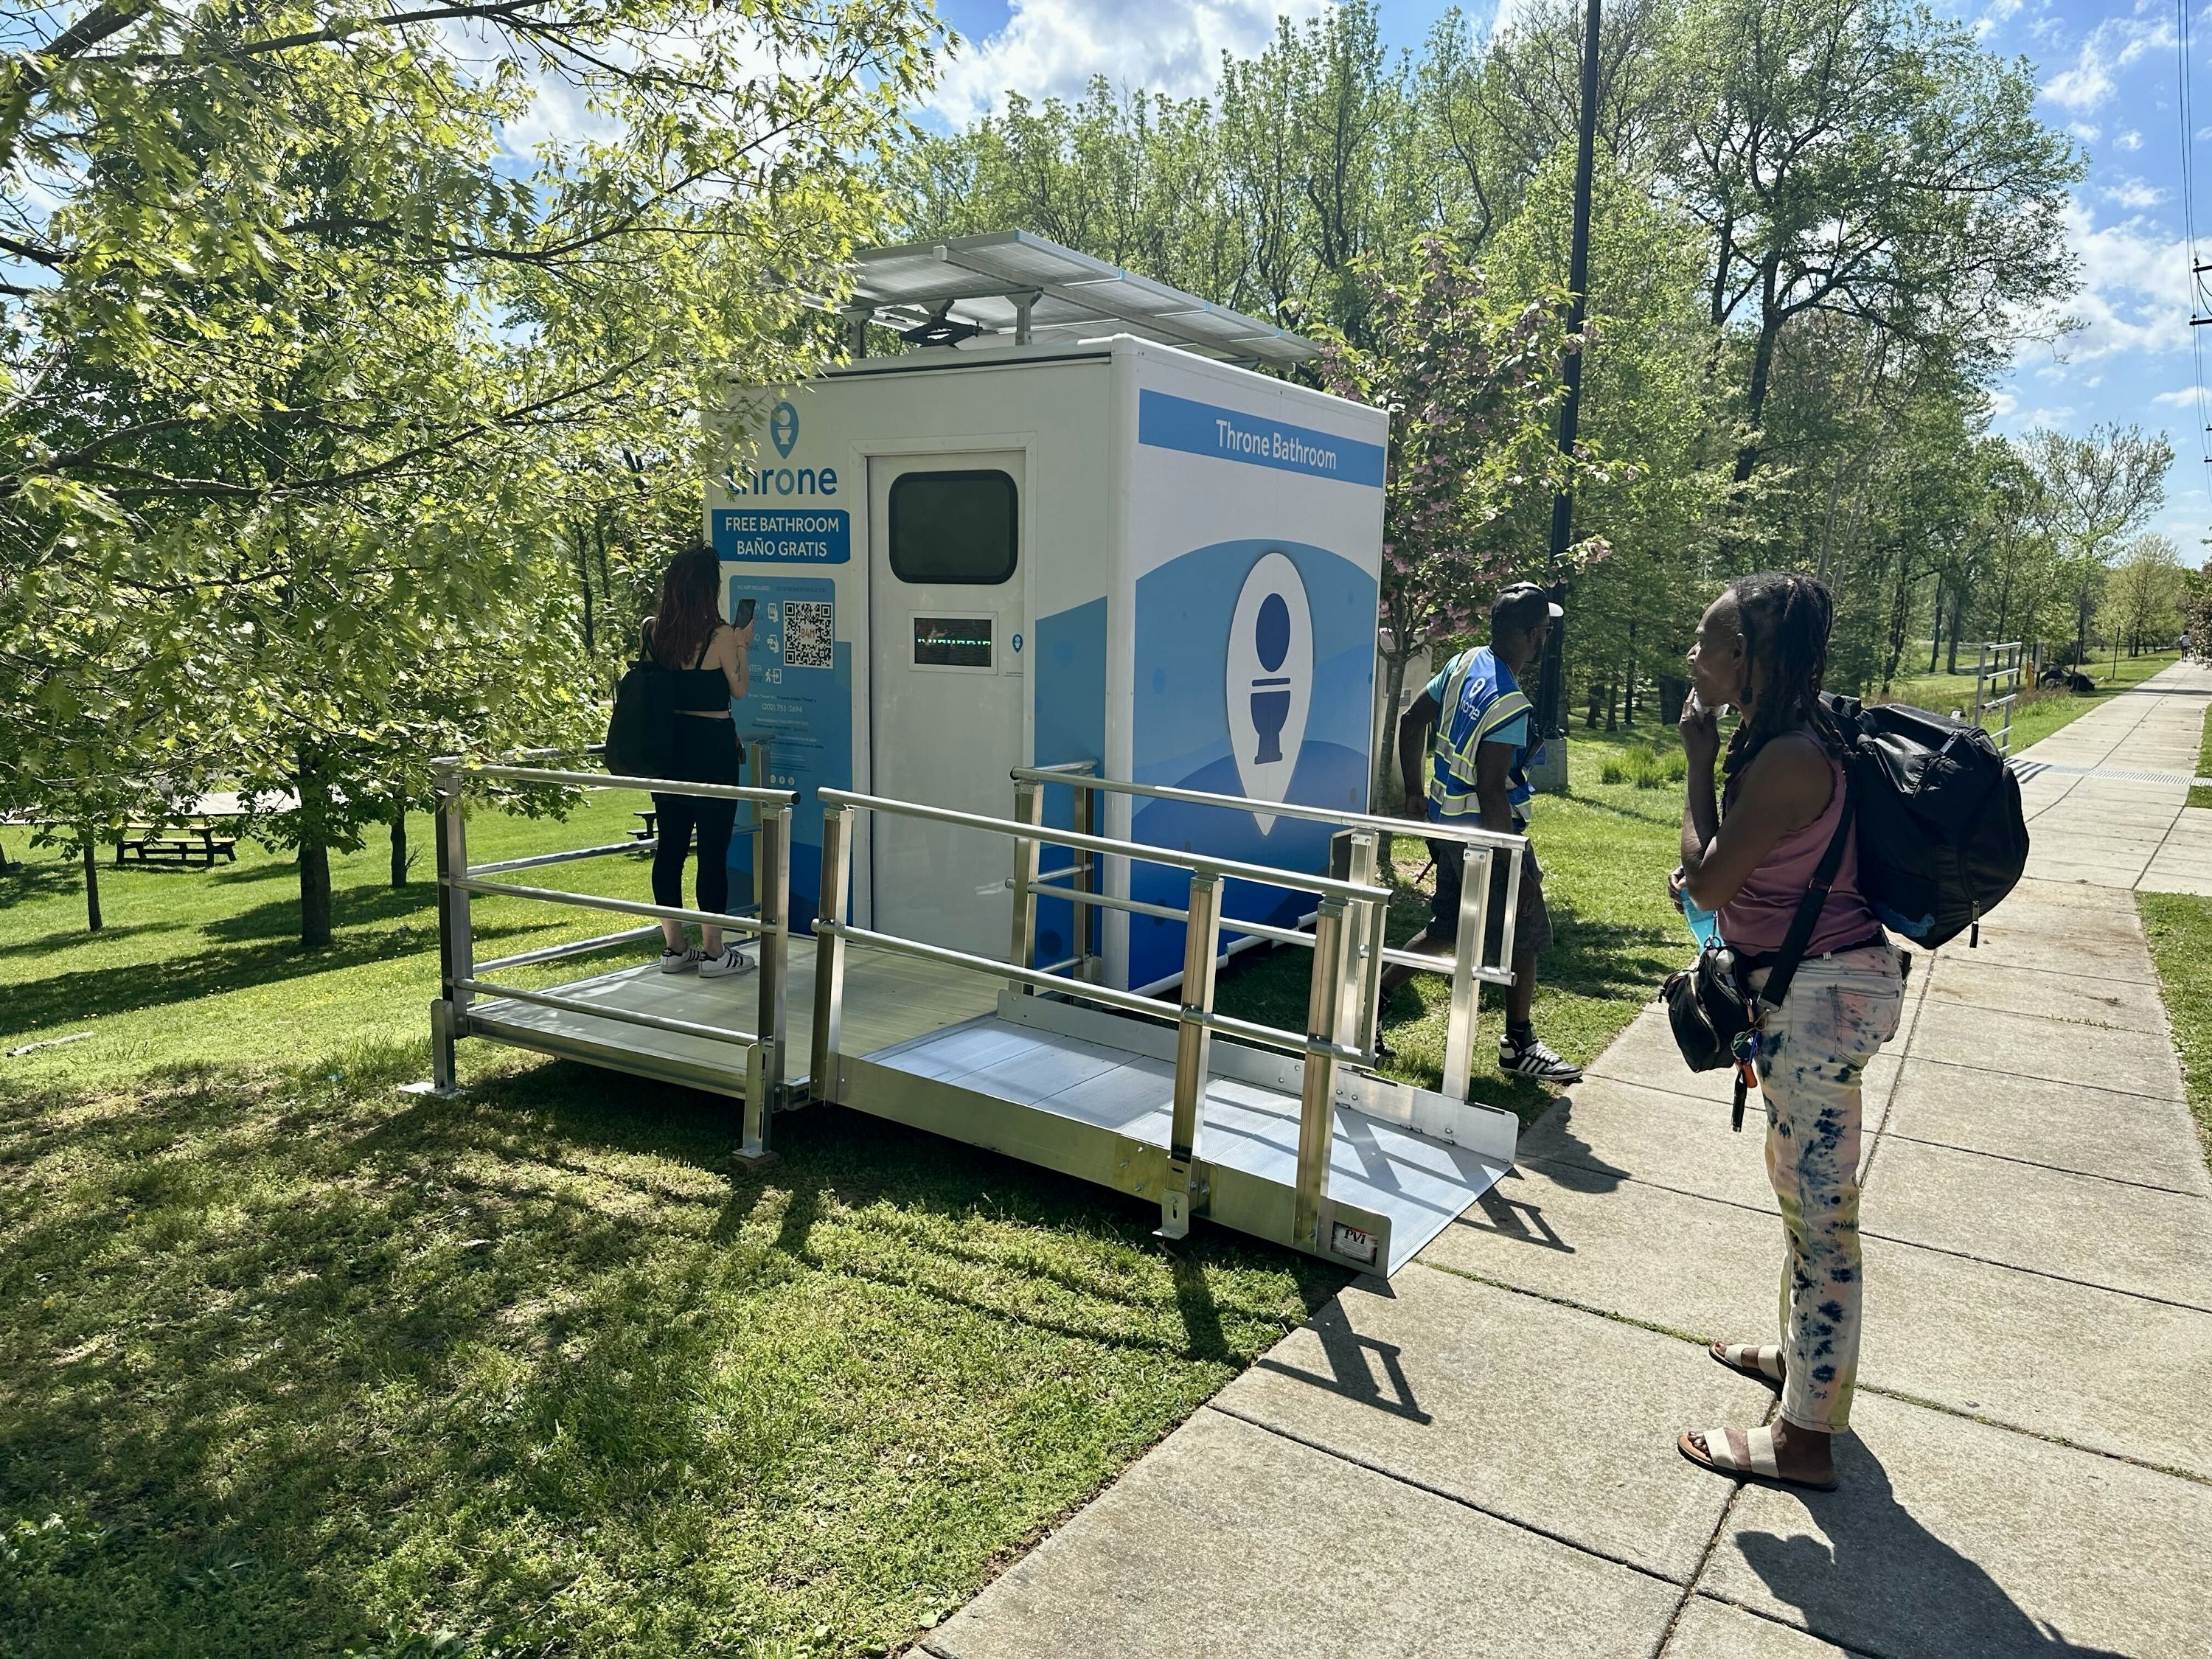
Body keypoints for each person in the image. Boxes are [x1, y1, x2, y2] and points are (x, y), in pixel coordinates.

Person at [1671, 571, 1905, 1493]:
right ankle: (1804, 1368)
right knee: (1801, 1198)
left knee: (1823, 1219)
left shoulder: (1787, 757)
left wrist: (1695, 760)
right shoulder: (1788, 743)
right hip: (1809, 993)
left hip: (1821, 999)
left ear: (1750, 660)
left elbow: (1709, 882)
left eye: (1706, 644)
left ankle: (1805, 1439)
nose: (1693, 659)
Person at [1385, 581, 1581, 1083]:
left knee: (1447, 929)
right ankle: (1519, 1044)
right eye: (1544, 633)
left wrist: (1414, 791)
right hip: (1487, 837)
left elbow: (1412, 721)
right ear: (1535, 637)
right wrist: (1515, 866)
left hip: (1446, 830)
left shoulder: (1465, 662)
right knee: (1527, 932)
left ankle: (1367, 1011)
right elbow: (1492, 790)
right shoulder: (1509, 704)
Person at [644, 543, 757, 978]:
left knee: (669, 848)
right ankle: (714, 953)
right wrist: (743, 645)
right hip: (712, 749)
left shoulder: (654, 630)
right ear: (710, 588)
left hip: (667, 749)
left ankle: (675, 948)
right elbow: (740, 689)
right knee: (713, 850)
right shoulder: (722, 635)